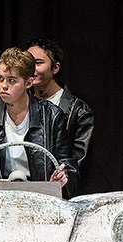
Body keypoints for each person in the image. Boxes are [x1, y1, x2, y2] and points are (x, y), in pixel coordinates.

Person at [0, 47, 79, 197]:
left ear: (28, 83)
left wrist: (62, 177)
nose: (3, 86)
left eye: (11, 80)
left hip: (40, 197)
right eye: (0, 78)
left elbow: (66, 163)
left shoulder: (52, 116)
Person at [26, 38, 94, 172]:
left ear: (55, 67)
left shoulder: (79, 111)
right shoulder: (18, 103)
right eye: (27, 64)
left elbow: (76, 163)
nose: (31, 69)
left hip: (58, 187)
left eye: (38, 63)